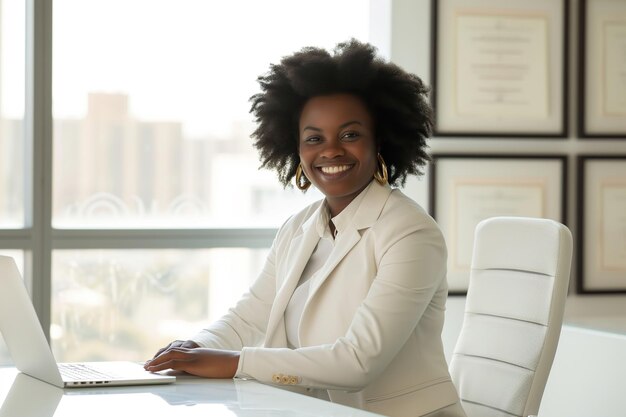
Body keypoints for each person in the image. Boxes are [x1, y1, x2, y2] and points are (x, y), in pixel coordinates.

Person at [144, 39, 466, 417]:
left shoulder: (411, 233)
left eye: (350, 135)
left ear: (380, 141)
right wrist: (190, 352)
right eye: (314, 138)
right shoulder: (299, 227)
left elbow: (357, 361)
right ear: (295, 149)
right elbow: (250, 316)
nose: (330, 151)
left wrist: (234, 362)